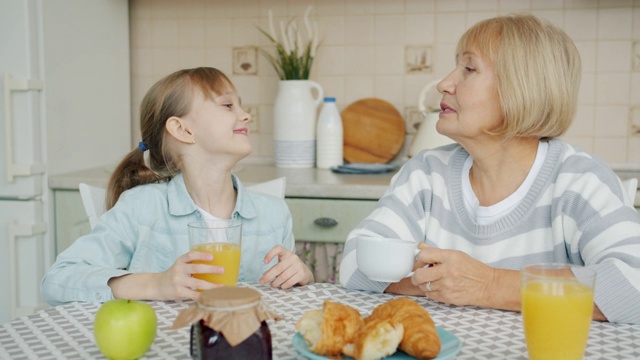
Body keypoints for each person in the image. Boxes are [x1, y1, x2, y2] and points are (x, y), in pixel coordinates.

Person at [339, 14, 640, 324]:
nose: (444, 84)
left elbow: (633, 287)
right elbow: (354, 263)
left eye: (468, 69)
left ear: (522, 89)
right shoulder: (425, 174)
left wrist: (489, 285)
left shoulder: (580, 181)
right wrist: (447, 283)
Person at [42, 67, 314, 305]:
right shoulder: (140, 209)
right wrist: (156, 284)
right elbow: (58, 280)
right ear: (183, 130)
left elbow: (288, 298)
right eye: (228, 105)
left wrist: (302, 275)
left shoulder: (275, 214)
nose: (246, 116)